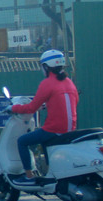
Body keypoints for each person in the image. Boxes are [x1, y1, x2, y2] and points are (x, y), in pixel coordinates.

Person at [8, 49, 79, 186]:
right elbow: (74, 101)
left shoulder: (47, 83)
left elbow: (30, 108)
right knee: (44, 141)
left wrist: (12, 108)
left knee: (22, 141)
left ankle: (29, 175)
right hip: (70, 128)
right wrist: (49, 105)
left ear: (46, 67)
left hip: (54, 129)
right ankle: (49, 172)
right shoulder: (69, 82)